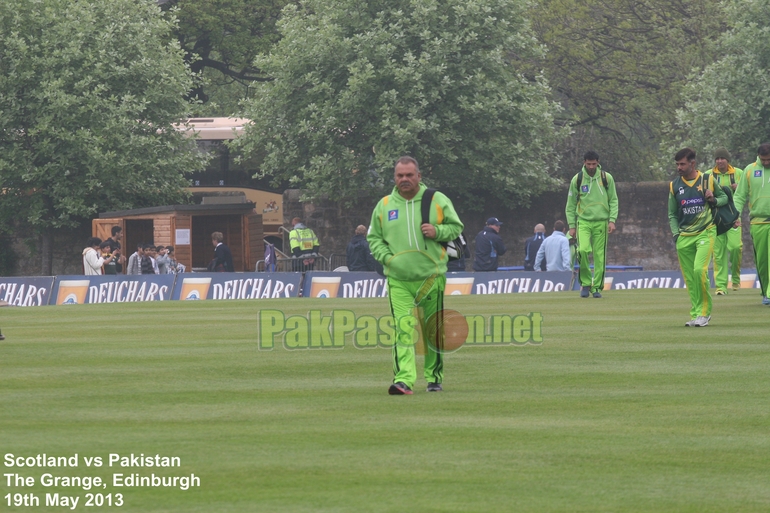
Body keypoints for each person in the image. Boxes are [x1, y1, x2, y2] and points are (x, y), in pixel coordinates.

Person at [368, 156, 463, 395]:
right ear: (394, 177)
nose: (405, 179)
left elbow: (456, 227)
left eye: (409, 175)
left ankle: (434, 377)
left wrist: (437, 230)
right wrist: (388, 259)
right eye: (400, 176)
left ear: (419, 176)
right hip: (398, 280)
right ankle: (404, 380)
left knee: (432, 331)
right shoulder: (384, 205)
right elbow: (374, 239)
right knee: (403, 328)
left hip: (431, 277)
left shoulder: (437, 200)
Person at [668, 147, 727, 326]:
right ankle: (695, 314)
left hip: (705, 231)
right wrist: (676, 235)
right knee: (690, 278)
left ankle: (704, 313)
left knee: (699, 270)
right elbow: (672, 214)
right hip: (684, 236)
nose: (679, 167)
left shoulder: (707, 179)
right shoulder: (674, 185)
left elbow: (724, 197)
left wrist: (713, 199)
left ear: (692, 163)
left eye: (682, 164)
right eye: (677, 164)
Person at [566, 150, 619, 298]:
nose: (591, 167)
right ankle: (585, 283)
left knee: (599, 256)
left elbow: (613, 200)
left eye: (593, 164)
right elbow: (570, 205)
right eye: (588, 164)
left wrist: (612, 220)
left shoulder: (606, 178)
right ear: (584, 163)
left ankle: (596, 288)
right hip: (583, 221)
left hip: (601, 222)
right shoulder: (577, 179)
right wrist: (571, 225)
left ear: (598, 162)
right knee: (582, 251)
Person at [733, 142, 770, 306]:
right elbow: (740, 196)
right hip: (758, 222)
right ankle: (766, 292)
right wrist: (735, 215)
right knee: (762, 262)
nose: (767, 163)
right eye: (764, 160)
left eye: (769, 160)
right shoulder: (749, 170)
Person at [710, 148, 743, 295]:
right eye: (717, 159)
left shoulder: (738, 173)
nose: (719, 161)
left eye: (722, 158)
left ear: (727, 160)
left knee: (735, 247)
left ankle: (735, 279)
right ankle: (721, 286)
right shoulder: (708, 175)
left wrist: (739, 188)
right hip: (716, 220)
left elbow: (746, 194)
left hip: (734, 218)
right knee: (718, 253)